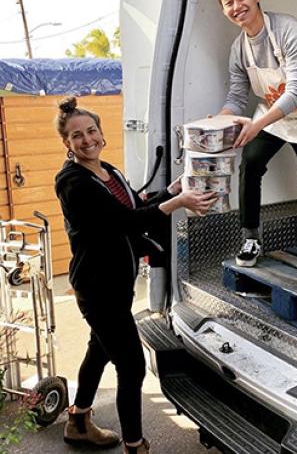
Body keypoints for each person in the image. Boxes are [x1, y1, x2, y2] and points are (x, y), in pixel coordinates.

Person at [54, 96, 216, 454]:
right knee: (131, 366)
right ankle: (135, 446)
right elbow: (124, 222)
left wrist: (172, 190)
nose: (87, 139)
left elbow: (133, 206)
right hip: (98, 289)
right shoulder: (73, 182)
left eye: (91, 130)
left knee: (99, 349)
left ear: (101, 134)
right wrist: (178, 203)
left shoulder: (107, 171)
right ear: (66, 144)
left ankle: (79, 421)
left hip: (116, 283)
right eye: (76, 135)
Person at [215, 0, 297, 267]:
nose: (236, 6)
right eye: (228, 2)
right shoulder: (238, 49)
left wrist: (256, 125)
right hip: (273, 118)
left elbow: (295, 92)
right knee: (250, 164)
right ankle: (250, 239)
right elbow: (237, 97)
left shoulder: (290, 30)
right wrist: (217, 122)